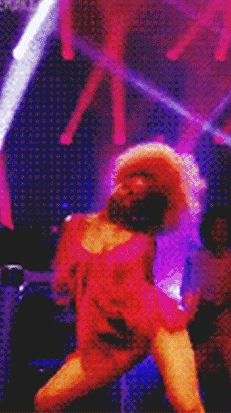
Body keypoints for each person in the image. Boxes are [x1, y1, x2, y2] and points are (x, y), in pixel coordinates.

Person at [34, 142, 206, 412]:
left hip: (154, 324)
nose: (128, 193)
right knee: (45, 401)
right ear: (118, 181)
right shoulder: (75, 225)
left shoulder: (143, 238)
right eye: (126, 186)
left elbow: (141, 291)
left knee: (188, 406)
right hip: (103, 341)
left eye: (138, 194)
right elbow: (62, 284)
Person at [182, 204, 231, 397]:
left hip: (226, 327)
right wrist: (198, 309)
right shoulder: (194, 259)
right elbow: (185, 292)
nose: (219, 233)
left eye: (224, 229)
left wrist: (226, 310)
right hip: (200, 326)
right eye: (215, 228)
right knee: (188, 377)